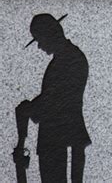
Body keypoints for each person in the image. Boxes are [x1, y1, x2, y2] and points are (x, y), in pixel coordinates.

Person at [16, 14, 91, 182]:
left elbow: (57, 99)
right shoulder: (66, 58)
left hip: (60, 137)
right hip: (58, 138)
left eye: (40, 40)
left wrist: (30, 108)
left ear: (50, 34)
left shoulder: (70, 59)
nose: (40, 46)